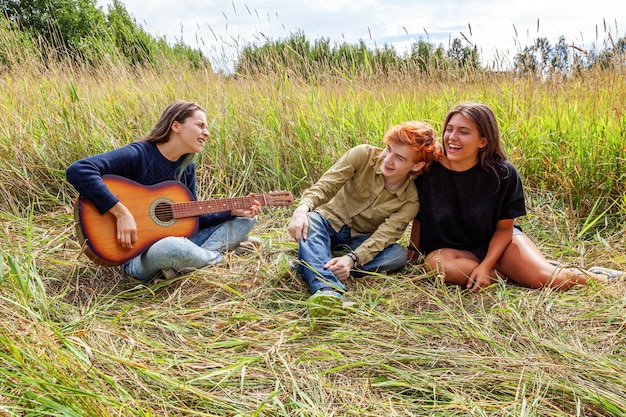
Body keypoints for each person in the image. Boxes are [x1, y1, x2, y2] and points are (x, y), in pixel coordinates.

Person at [408, 102, 623, 292]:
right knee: (439, 267)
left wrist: (485, 266)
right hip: (449, 252)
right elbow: (418, 217)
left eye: (464, 132)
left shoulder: (502, 173)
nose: (452, 138)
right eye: (449, 129)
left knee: (544, 278)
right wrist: (411, 252)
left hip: (498, 245)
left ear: (483, 141)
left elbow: (504, 229)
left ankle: (598, 277)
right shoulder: (428, 169)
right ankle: (518, 275)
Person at [66, 100, 261, 282]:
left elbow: (192, 218)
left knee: (248, 219)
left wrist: (232, 211)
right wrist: (121, 213)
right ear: (176, 126)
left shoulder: (186, 167)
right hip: (139, 255)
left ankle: (193, 261)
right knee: (171, 248)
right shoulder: (139, 154)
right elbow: (79, 170)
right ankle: (218, 256)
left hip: (183, 240)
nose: (207, 132)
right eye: (200, 125)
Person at [288, 121, 442, 312]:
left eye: (399, 158)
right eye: (388, 149)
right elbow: (326, 186)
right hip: (327, 222)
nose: (388, 159)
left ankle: (311, 262)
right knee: (310, 221)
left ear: (417, 165)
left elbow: (382, 238)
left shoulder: (410, 201)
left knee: (397, 256)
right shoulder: (363, 155)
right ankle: (328, 290)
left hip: (357, 241)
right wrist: (302, 209)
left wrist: (352, 259)